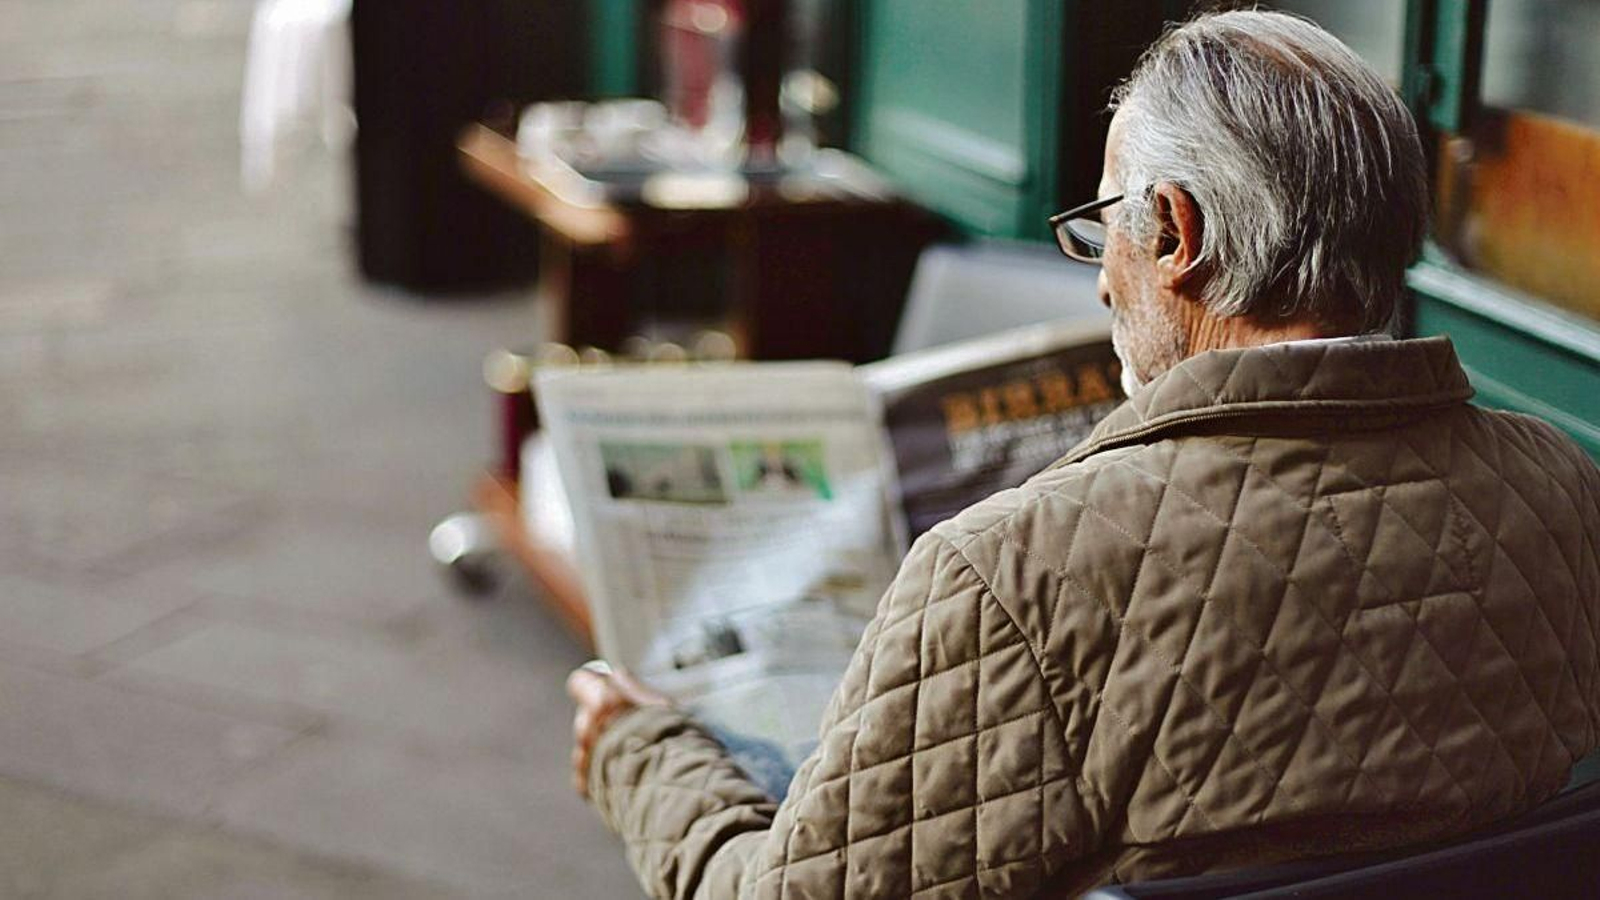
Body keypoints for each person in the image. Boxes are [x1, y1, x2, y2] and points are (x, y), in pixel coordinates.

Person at [566, 10, 1600, 898]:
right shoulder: (1564, 486)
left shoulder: (1014, 577)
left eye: (1105, 224)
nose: (1103, 283)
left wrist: (638, 750)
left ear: (1175, 236)